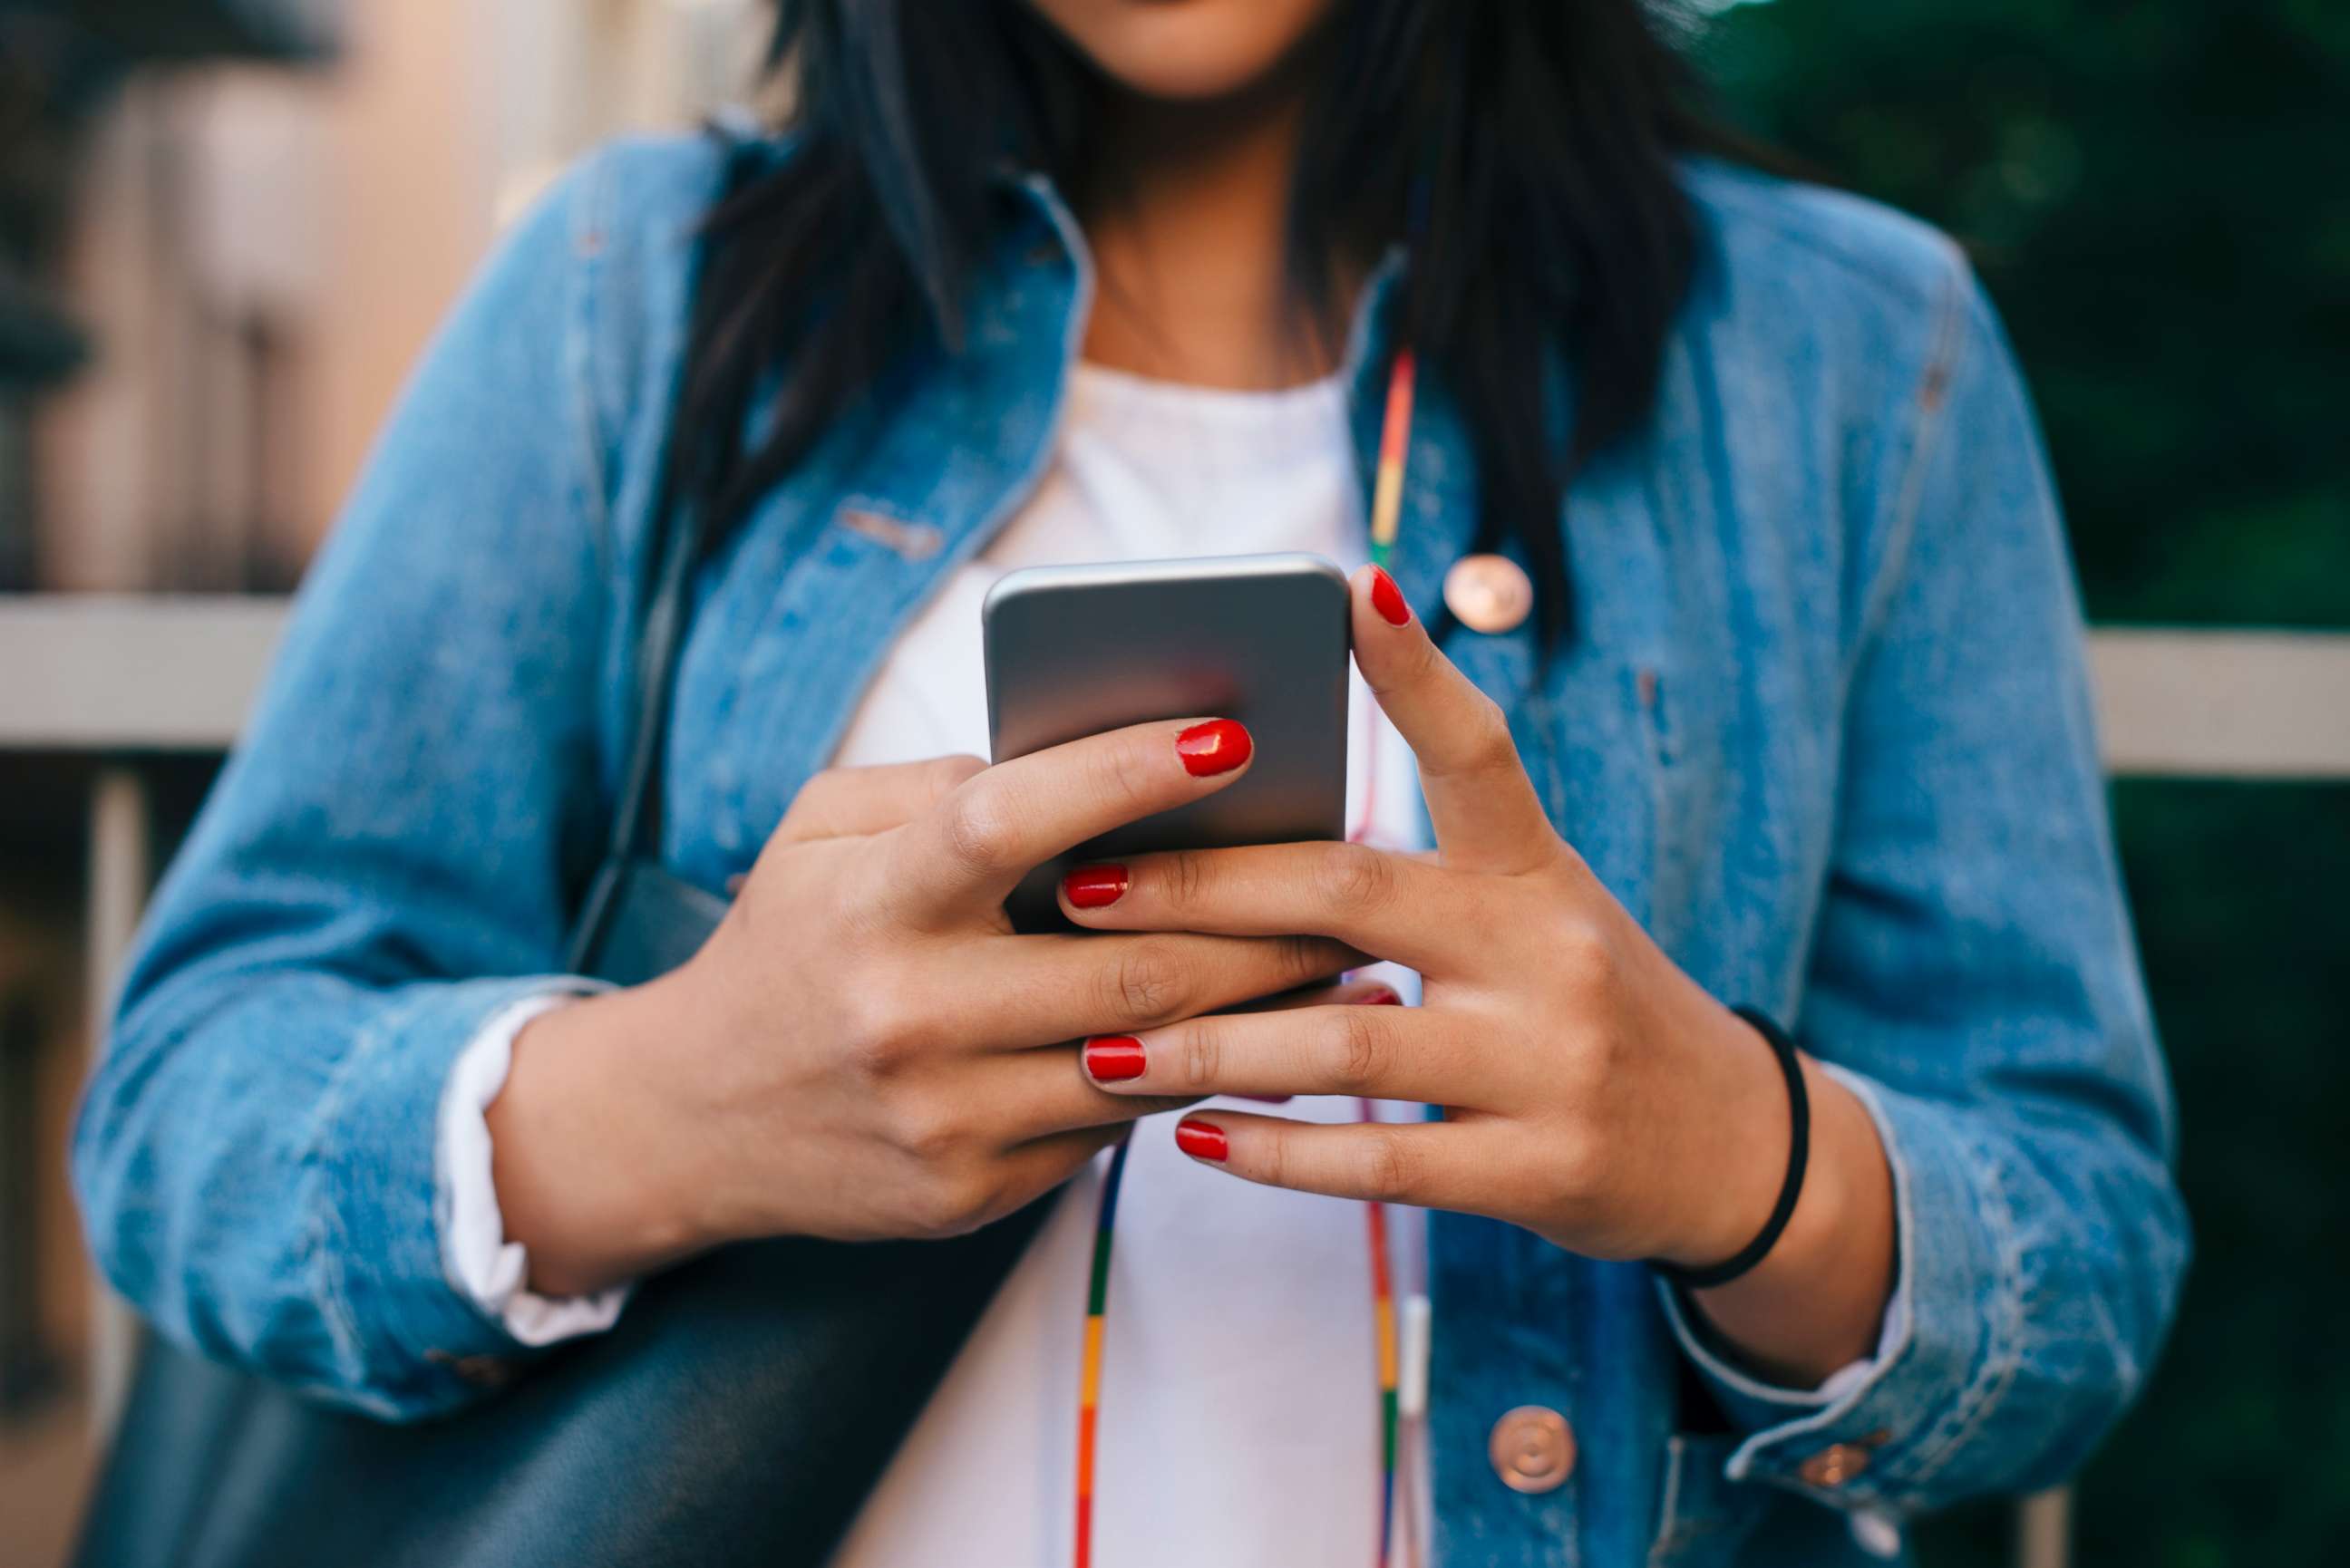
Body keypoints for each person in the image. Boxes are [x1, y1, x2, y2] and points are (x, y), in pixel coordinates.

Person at [73, 1, 2188, 1563]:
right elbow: (186, 1110)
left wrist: (1742, 1152)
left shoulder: (1848, 352)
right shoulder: (639, 286)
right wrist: (660, 1105)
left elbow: (2080, 1262)